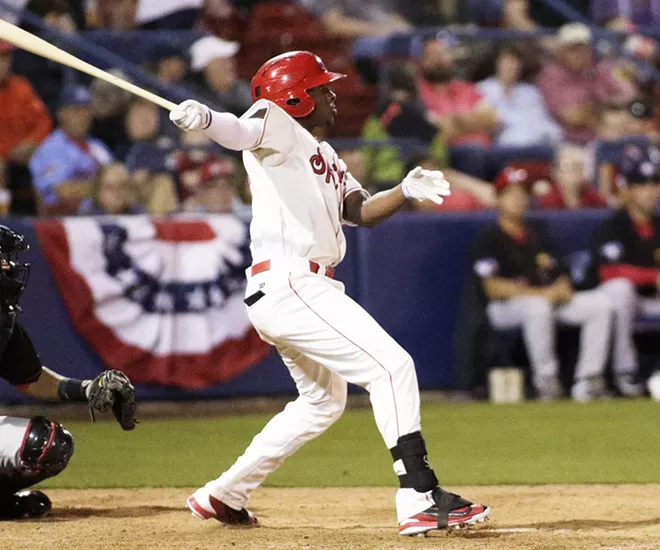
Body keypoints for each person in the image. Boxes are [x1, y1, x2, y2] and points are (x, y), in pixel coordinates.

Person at [169, 50, 490, 536]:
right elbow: (237, 130)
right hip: (292, 280)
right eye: (321, 87)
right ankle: (420, 496)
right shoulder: (275, 120)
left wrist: (404, 189)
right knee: (393, 366)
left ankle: (224, 493)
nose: (332, 93)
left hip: (296, 286)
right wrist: (205, 117)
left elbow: (361, 211)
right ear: (295, 96)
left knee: (322, 401)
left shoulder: (324, 153)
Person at [0, 225, 137, 519]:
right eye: (1, 259)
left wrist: (88, 389)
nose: (9, 266)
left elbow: (31, 378)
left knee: (50, 444)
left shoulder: (3, 317)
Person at [471, 167, 613, 401]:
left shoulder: (537, 234)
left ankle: (589, 380)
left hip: (544, 302)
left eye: (522, 193)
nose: (518, 200)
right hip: (505, 309)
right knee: (538, 306)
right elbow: (494, 288)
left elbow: (557, 271)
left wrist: (563, 286)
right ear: (498, 198)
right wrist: (543, 293)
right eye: (511, 194)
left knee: (600, 304)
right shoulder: (489, 239)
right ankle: (546, 381)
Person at [592, 145, 660, 397]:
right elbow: (609, 273)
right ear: (628, 189)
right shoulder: (614, 225)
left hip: (653, 300)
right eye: (642, 184)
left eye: (655, 182)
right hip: (624, 300)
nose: (651, 190)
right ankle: (625, 370)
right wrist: (653, 276)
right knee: (620, 291)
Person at [537, 22, 638, 145]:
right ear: (561, 51)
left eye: (583, 48)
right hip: (572, 144)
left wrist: (596, 110)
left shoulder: (602, 69)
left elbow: (631, 97)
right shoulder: (551, 75)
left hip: (610, 138)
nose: (580, 54)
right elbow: (570, 117)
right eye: (573, 49)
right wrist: (607, 109)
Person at [29, 86, 113, 215]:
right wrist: (102, 187)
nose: (83, 116)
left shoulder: (97, 146)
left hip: (101, 215)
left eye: (87, 110)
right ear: (61, 113)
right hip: (65, 221)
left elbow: (118, 179)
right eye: (76, 110)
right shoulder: (50, 149)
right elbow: (61, 191)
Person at [0, 40, 52, 215]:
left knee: (44, 163)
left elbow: (43, 122)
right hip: (4, 160)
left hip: (22, 158)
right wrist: (6, 154)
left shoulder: (21, 87)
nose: (2, 63)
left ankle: (41, 228)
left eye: (6, 57)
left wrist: (30, 143)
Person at [418, 37, 499, 147]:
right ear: (422, 61)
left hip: (485, 149)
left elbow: (492, 120)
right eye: (434, 55)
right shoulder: (418, 93)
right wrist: (473, 120)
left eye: (444, 53)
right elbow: (439, 131)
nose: (440, 59)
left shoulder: (466, 88)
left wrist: (456, 121)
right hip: (448, 154)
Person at [477, 45, 563, 147]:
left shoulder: (530, 92)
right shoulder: (482, 89)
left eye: (515, 63)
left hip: (535, 146)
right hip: (501, 148)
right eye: (506, 62)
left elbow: (543, 122)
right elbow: (487, 124)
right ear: (497, 63)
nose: (511, 66)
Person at [536, 143, 608, 209]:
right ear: (556, 172)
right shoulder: (548, 200)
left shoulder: (592, 196)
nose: (577, 172)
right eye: (571, 167)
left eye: (580, 167)